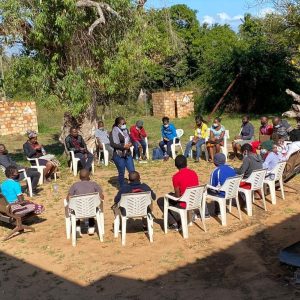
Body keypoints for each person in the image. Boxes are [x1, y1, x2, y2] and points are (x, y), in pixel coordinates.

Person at [157, 155, 209, 231]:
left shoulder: (176, 177)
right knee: (171, 196)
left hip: (184, 203)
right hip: (195, 201)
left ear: (176, 165)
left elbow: (177, 196)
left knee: (161, 200)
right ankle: (185, 218)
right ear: (186, 163)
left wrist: (170, 195)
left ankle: (174, 223)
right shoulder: (193, 173)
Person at [66, 169, 104, 235]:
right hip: (92, 209)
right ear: (89, 176)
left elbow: (68, 198)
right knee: (92, 205)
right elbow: (102, 197)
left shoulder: (75, 185)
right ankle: (91, 227)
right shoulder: (94, 184)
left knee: (74, 208)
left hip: (78, 210)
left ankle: (77, 227)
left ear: (79, 177)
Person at [110, 116, 135, 187]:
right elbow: (113, 144)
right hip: (118, 155)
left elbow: (131, 139)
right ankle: (122, 187)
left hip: (127, 153)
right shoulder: (113, 133)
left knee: (132, 171)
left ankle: (134, 185)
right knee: (121, 172)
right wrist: (123, 146)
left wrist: (130, 143)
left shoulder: (126, 130)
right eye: (123, 123)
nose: (124, 124)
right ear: (118, 124)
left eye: (125, 123)